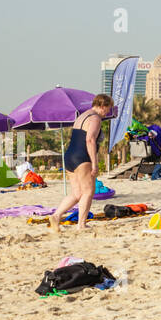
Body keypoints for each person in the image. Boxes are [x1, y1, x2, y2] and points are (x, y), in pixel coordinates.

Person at [48, 94, 113, 232]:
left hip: (70, 156)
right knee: (88, 191)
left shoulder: (82, 116)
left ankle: (56, 215)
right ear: (102, 106)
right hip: (82, 157)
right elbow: (90, 140)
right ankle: (81, 225)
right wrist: (95, 163)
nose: (108, 112)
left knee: (77, 193)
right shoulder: (95, 118)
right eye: (108, 108)